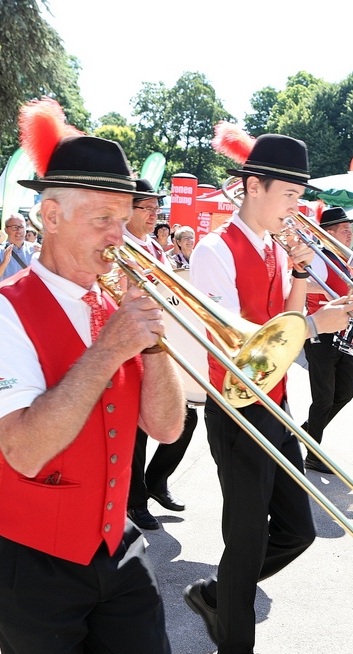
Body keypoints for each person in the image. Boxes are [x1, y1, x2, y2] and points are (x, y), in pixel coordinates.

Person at [0, 123, 184, 654]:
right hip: (26, 551)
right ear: (50, 216)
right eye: (102, 220)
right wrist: (110, 348)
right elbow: (26, 449)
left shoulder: (117, 302)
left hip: (111, 540)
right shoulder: (0, 312)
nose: (120, 235)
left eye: (126, 219)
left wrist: (153, 345)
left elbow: (167, 425)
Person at [188, 132, 353, 654]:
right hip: (237, 407)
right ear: (252, 186)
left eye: (298, 195)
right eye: (288, 193)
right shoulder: (214, 250)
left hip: (275, 402)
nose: (296, 205)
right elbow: (242, 347)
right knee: (243, 537)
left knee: (297, 530)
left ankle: (220, 596)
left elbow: (283, 325)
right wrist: (313, 326)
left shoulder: (277, 248)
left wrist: (306, 284)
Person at [123, 179, 199, 531]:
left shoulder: (153, 247)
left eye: (157, 209)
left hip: (159, 342)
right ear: (129, 209)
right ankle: (134, 501)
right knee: (136, 431)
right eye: (148, 208)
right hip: (132, 347)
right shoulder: (121, 246)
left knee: (185, 418)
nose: (156, 214)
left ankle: (155, 482)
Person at [301, 206, 353, 470]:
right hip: (320, 333)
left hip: (343, 333)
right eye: (344, 230)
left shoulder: (345, 259)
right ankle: (313, 455)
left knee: (344, 393)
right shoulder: (318, 256)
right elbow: (301, 283)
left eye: (350, 230)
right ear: (328, 233)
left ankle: (306, 430)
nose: (349, 234)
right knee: (323, 398)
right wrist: (327, 291)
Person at [0, 213, 39, 286]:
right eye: (15, 227)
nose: (19, 230)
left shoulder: (35, 249)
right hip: (8, 295)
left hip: (30, 294)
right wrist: (4, 262)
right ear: (6, 230)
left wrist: (42, 259)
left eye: (21, 227)